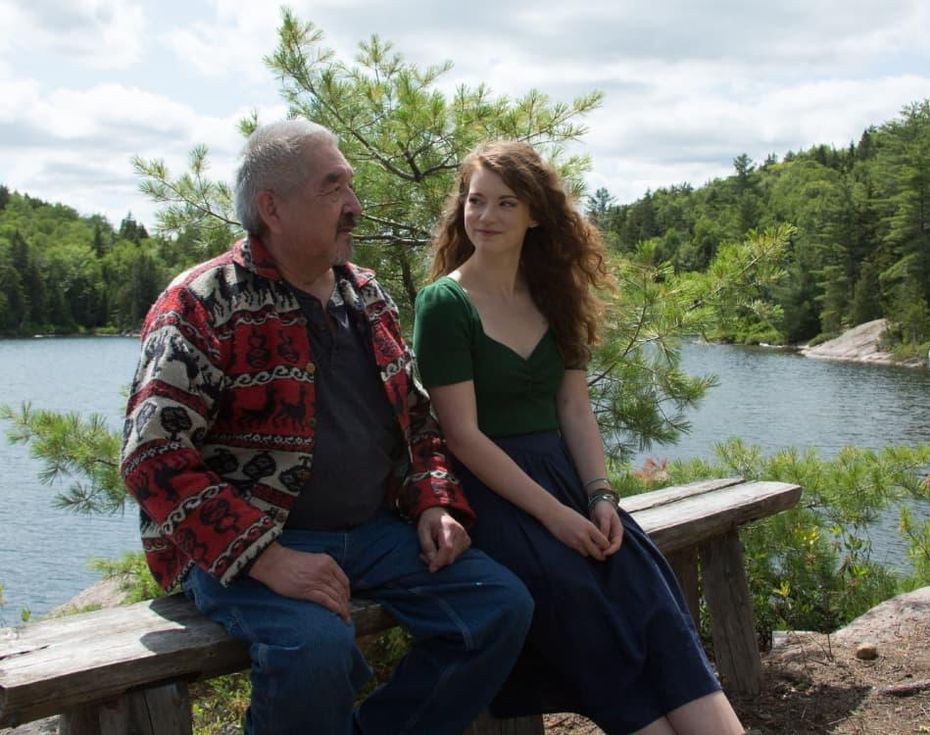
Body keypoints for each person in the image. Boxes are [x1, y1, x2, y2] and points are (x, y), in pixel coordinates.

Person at [120, 120, 533, 735]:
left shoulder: (364, 295)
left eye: (351, 187)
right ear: (272, 208)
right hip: (251, 548)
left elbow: (418, 423)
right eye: (333, 188)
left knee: (499, 608)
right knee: (314, 646)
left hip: (372, 534)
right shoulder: (201, 303)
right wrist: (265, 556)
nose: (355, 207)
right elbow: (151, 457)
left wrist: (432, 504)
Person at [412, 141, 746, 735]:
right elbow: (462, 436)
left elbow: (574, 407)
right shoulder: (444, 304)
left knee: (647, 595)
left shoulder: (553, 297)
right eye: (475, 201)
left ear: (536, 214)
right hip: (497, 493)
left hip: (565, 479)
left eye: (505, 203)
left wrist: (599, 496)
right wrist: (556, 518)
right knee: (582, 605)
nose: (484, 217)